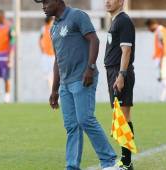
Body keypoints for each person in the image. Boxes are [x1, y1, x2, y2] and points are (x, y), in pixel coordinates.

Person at [35, 0, 117, 170]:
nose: (43, 6)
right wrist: (54, 90)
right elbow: (58, 60)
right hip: (65, 84)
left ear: (58, 1)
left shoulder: (77, 16)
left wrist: (90, 67)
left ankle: (109, 161)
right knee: (72, 126)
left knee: (85, 119)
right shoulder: (53, 28)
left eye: (46, 2)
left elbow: (94, 40)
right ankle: (72, 166)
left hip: (82, 78)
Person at [104, 0, 136, 169]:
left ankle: (126, 161)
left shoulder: (123, 21)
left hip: (119, 72)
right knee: (120, 117)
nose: (107, 1)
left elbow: (126, 50)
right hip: (113, 72)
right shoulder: (116, 20)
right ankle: (126, 161)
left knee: (123, 116)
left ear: (121, 1)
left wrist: (121, 75)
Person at [145, 19, 166, 103]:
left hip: (163, 57)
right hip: (164, 56)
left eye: (149, 27)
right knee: (164, 79)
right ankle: (162, 98)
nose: (149, 30)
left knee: (162, 78)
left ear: (152, 25)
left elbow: (164, 45)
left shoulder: (160, 31)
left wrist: (161, 60)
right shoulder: (160, 30)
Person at [0, 9, 15, 103]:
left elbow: (12, 43)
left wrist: (11, 57)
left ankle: (7, 97)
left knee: (6, 77)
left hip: (5, 56)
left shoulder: (9, 27)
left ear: (3, 16)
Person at [39, 16, 55, 91]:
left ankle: (54, 92)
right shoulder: (44, 28)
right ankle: (52, 92)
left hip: (53, 55)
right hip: (46, 55)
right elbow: (40, 39)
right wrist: (42, 49)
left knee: (53, 75)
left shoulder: (55, 28)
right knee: (48, 76)